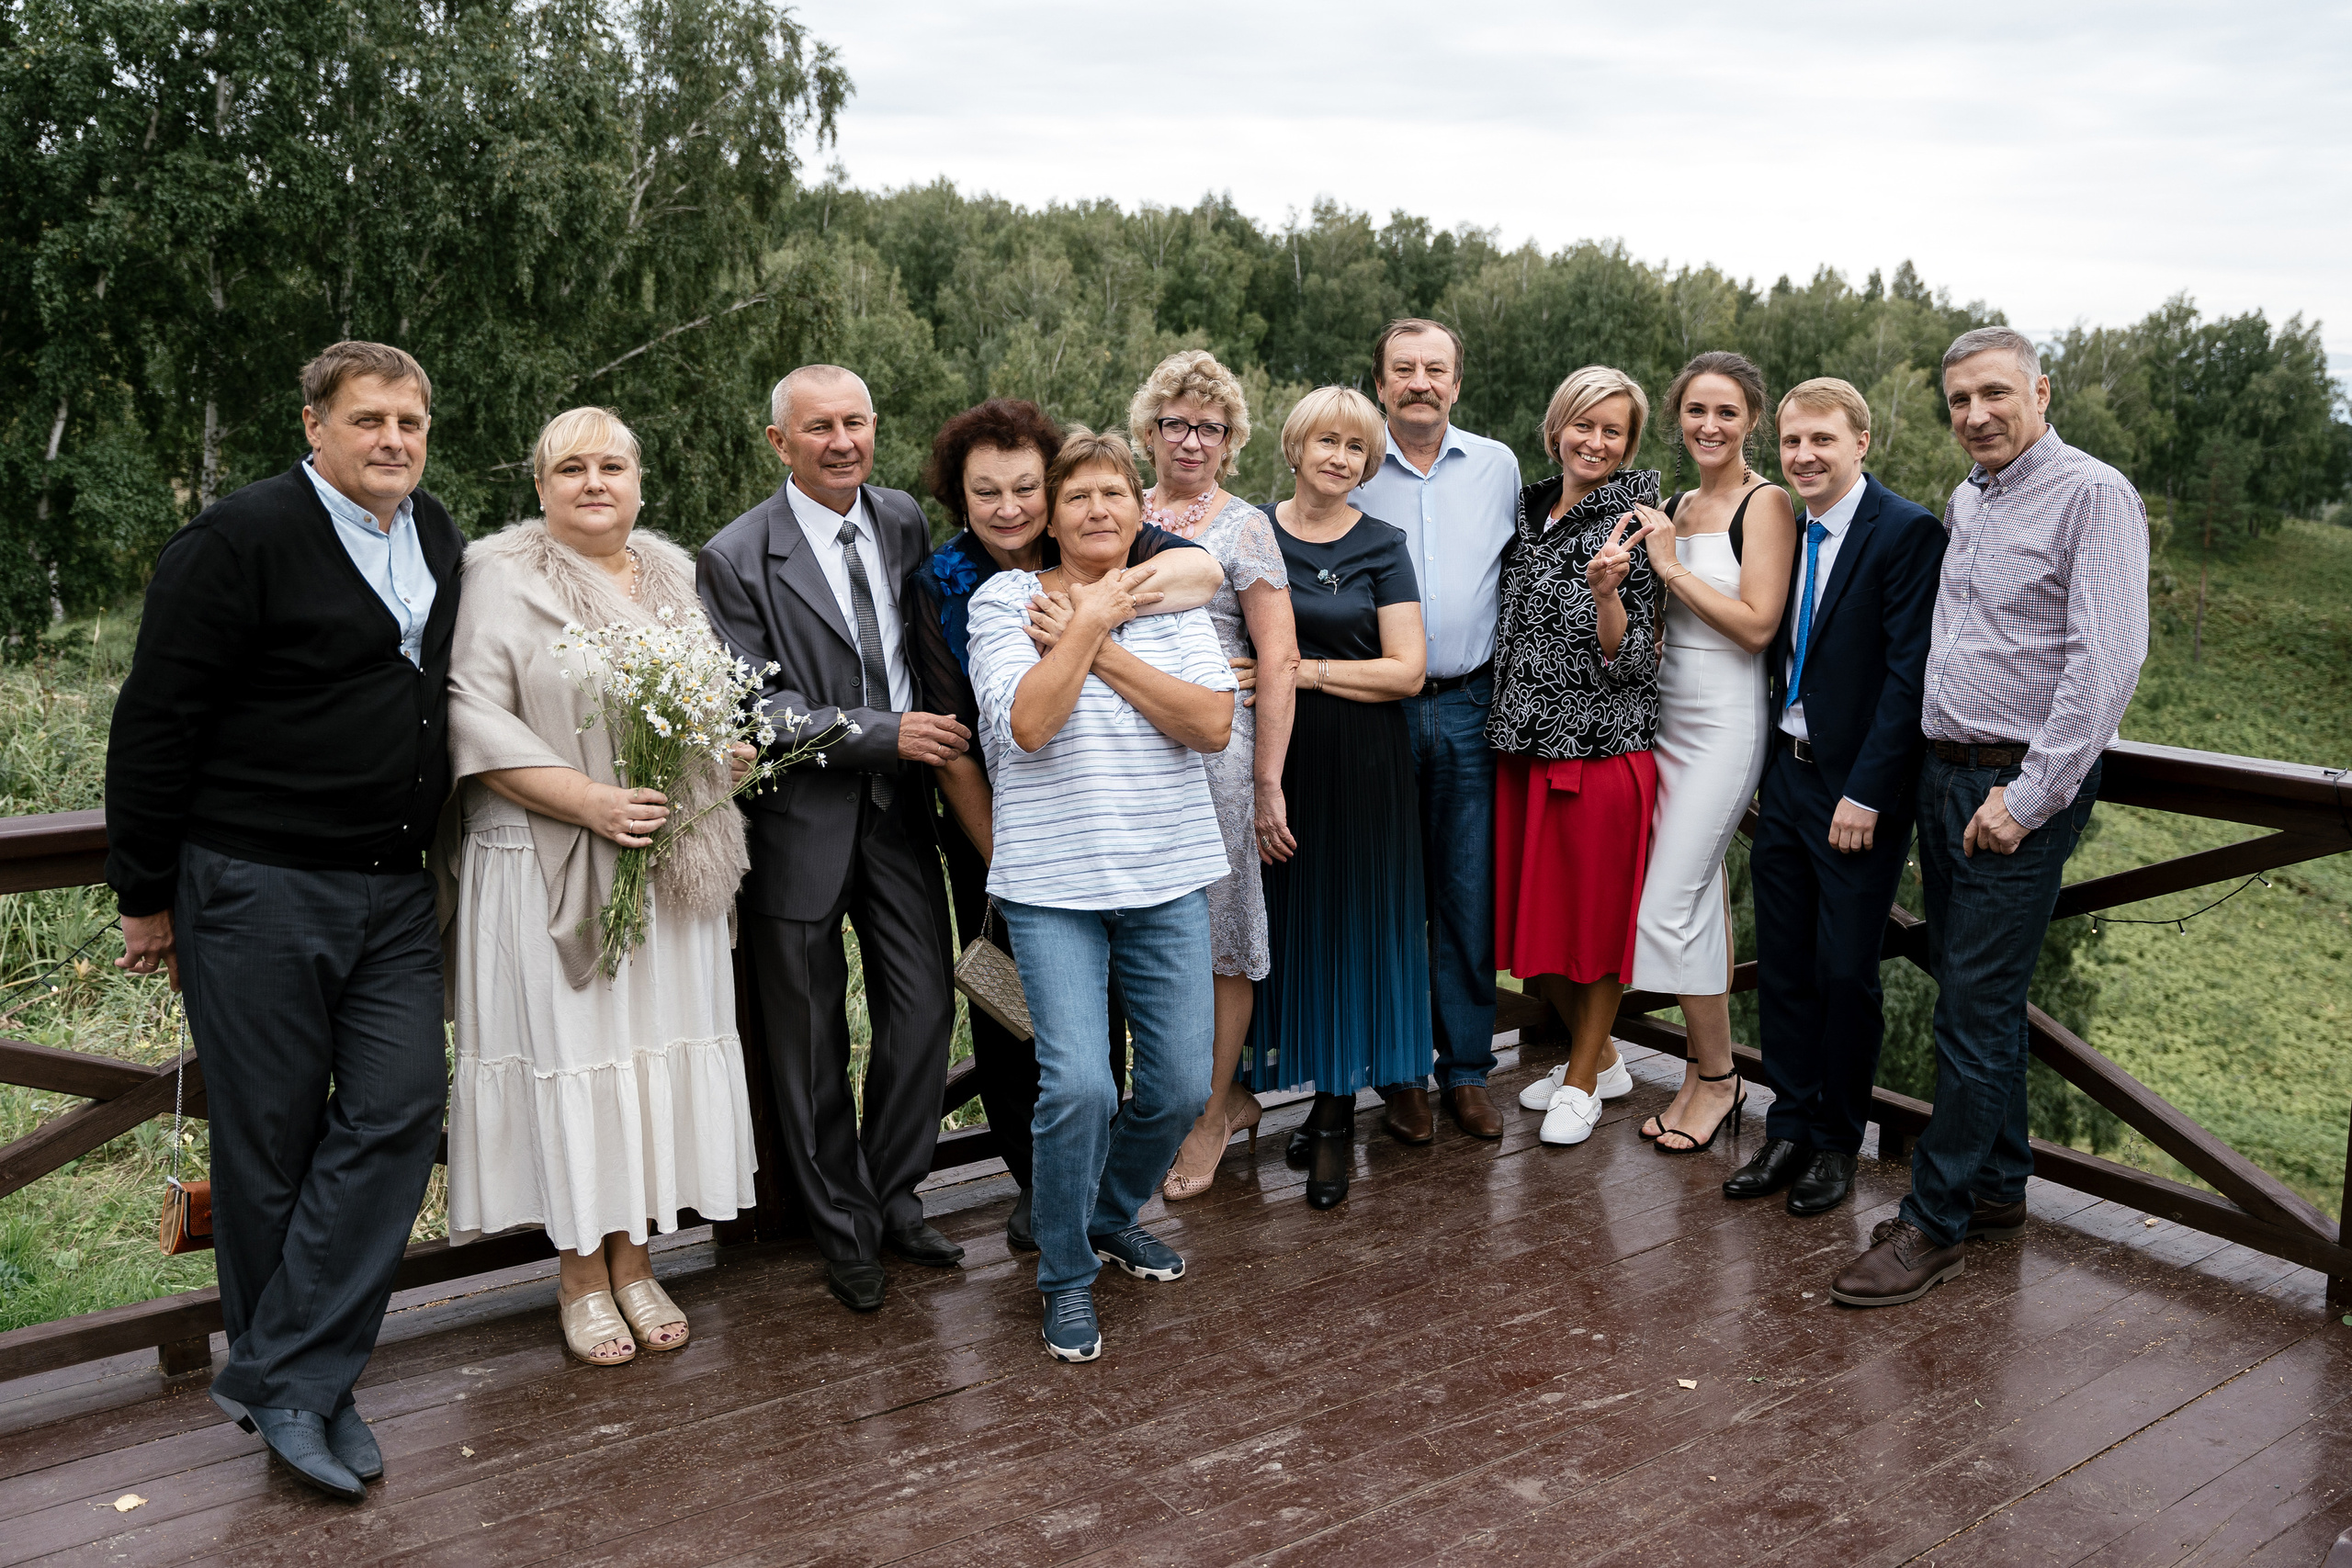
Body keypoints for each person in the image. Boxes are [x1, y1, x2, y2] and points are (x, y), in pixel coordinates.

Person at [104, 341, 460, 1500]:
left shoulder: (437, 533)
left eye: (409, 421)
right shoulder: (238, 539)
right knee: (268, 1149)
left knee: (402, 1108)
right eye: (368, 420)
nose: (392, 441)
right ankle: (312, 1392)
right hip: (256, 886)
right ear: (314, 425)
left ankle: (280, 1375)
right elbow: (155, 722)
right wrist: (143, 893)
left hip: (396, 886)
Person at [438, 407, 759, 1367]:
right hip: (545, 858)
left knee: (644, 1055)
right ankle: (580, 1272)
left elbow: (697, 704)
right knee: (575, 1055)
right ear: (539, 488)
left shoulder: (678, 578)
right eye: (569, 467)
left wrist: (717, 756)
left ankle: (637, 1257)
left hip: (665, 866)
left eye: (610, 465)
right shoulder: (497, 579)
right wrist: (583, 799)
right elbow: (465, 713)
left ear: (639, 480)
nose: (592, 482)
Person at [1833, 328, 2147, 1306]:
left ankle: (1934, 1222)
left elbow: (2106, 662)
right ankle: (2000, 1185)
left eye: (1994, 394)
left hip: (2016, 789)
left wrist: (2031, 795)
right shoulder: (1971, 499)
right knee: (1976, 995)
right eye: (1959, 399)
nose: (1975, 415)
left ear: (2040, 391)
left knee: (1968, 1008)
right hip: (1947, 775)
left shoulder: (2091, 494)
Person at [907, 399, 1224, 1247]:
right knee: (1037, 1048)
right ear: (959, 498)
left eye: (1022, 488)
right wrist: (1010, 855)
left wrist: (1094, 620)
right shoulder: (960, 584)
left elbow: (1202, 576)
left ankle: (1089, 1207)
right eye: (987, 493)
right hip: (1006, 830)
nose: (1009, 508)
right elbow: (962, 741)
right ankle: (1047, 1209)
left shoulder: (1125, 556)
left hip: (1139, 846)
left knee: (1152, 1052)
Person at [696, 365, 970, 1315]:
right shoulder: (733, 557)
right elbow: (754, 709)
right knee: (809, 1040)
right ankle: (842, 1229)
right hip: (799, 826)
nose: (840, 441)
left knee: (925, 1008)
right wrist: (886, 733)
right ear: (779, 443)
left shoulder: (899, 518)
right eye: (818, 428)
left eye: (854, 422)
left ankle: (893, 1194)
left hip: (899, 818)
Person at [966, 427, 1236, 1361]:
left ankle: (1108, 1215)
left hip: (1165, 872)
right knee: (1078, 1084)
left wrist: (1097, 638)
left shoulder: (1166, 601)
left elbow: (1208, 723)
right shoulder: (1003, 600)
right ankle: (1066, 1274)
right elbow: (1031, 724)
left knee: (1175, 1086)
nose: (1095, 512)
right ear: (1049, 515)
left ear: (1138, 511)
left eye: (1112, 496)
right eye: (1075, 497)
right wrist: (1081, 623)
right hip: (1051, 884)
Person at [1717, 378, 1945, 1218]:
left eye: (1822, 440)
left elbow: (1907, 676)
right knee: (1782, 963)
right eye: (1792, 443)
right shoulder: (1792, 530)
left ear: (1862, 442)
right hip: (1788, 772)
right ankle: (1790, 1121)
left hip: (1856, 791)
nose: (1805, 456)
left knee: (1846, 970)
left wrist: (1870, 791)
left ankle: (1837, 1142)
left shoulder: (1907, 531)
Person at [1589, 353, 1794, 1155]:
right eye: (1696, 412)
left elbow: (1755, 625)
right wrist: (1611, 590)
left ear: (1752, 421)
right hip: (1664, 718)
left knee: (1665, 905)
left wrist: (1668, 563)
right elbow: (1650, 633)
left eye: (1727, 413)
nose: (1710, 427)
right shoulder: (1673, 501)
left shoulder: (1765, 502)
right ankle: (1704, 1075)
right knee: (1695, 899)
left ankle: (1716, 1075)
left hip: (1726, 725)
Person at [1245, 387, 1430, 1209]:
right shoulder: (1251, 531)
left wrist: (1301, 669)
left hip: (1363, 761)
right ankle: (1250, 1098)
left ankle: (1332, 1120)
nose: (1340, 459)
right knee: (1282, 925)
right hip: (1268, 757)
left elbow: (1406, 670)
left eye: (1357, 449)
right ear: (1294, 446)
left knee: (1350, 926)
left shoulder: (1384, 543)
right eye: (1327, 441)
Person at [1124, 351, 1299, 1201]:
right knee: (1149, 923)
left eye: (1210, 426)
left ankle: (1213, 1109)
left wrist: (1268, 781)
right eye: (1175, 423)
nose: (1191, 439)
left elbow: (1278, 656)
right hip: (1130, 752)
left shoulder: (1246, 527)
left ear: (1230, 441)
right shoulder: (1121, 510)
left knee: (1220, 929)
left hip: (1221, 759)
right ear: (1148, 432)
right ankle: (1180, 1094)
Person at [1351, 320, 1525, 1143]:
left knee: (1465, 892)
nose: (1420, 382)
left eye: (1436, 369)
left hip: (1468, 703)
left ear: (1458, 382)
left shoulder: (1497, 466)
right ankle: (1397, 1075)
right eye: (1404, 369)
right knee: (1388, 895)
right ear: (1380, 383)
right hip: (1373, 709)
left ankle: (1464, 1071)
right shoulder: (1350, 464)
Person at [1487, 366, 1664, 1149]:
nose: (1596, 442)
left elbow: (1632, 663)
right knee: (1531, 928)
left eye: (1613, 431)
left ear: (1629, 444)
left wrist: (1607, 596)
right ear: (1557, 426)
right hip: (1520, 748)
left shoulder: (1636, 524)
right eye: (1583, 425)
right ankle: (1609, 1058)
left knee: (1591, 931)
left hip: (1595, 754)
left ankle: (1584, 1077)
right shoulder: (1527, 508)